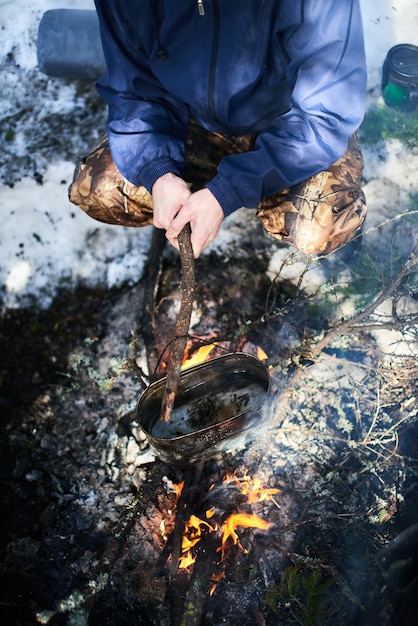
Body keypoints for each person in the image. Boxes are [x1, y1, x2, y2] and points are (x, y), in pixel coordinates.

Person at [69, 0, 367, 259]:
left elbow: (325, 113)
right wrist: (158, 173)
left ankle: (277, 206)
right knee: (99, 190)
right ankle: (191, 198)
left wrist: (229, 191)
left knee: (319, 226)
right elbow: (132, 88)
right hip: (193, 119)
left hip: (290, 129)